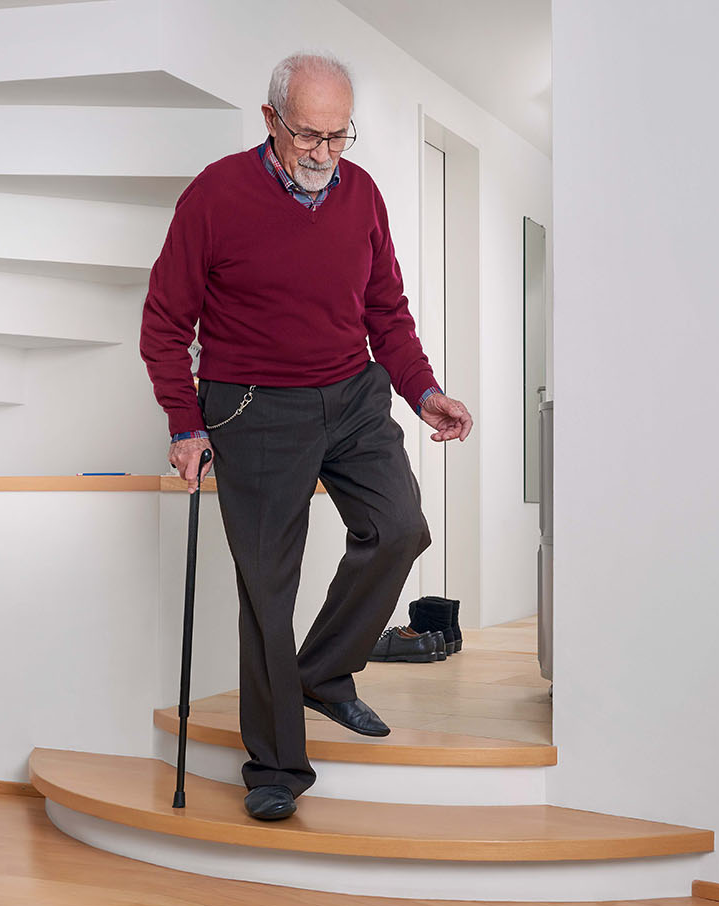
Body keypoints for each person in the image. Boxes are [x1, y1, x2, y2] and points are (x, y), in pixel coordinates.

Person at [139, 50, 473, 822]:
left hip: (351, 394)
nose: (324, 153)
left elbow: (386, 308)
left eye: (338, 135)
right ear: (270, 121)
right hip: (252, 404)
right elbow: (165, 322)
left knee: (400, 527)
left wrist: (421, 389)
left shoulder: (361, 194)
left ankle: (322, 673)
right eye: (308, 135)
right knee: (267, 586)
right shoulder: (216, 196)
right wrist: (184, 421)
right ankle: (277, 766)